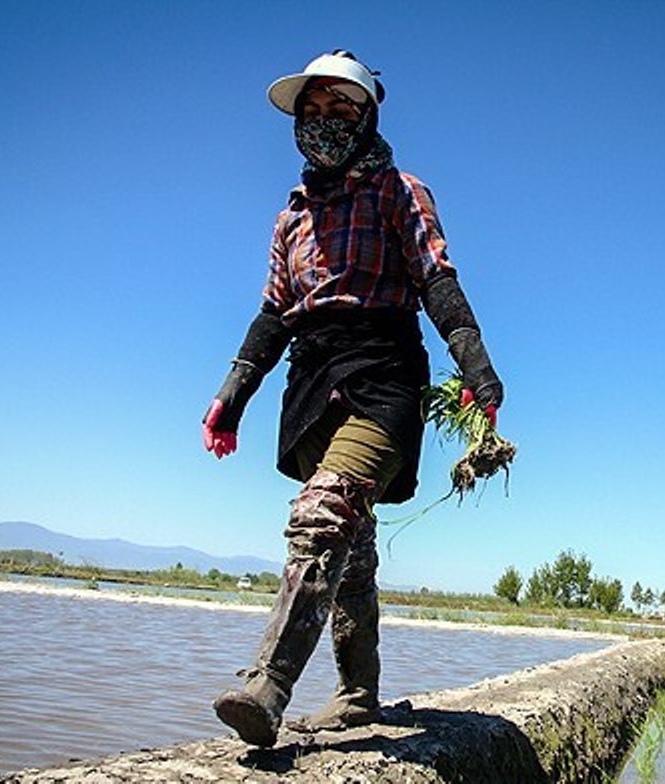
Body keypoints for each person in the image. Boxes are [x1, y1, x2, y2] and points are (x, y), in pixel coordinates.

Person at [201, 50, 504, 747]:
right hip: (312, 384)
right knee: (353, 552)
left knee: (323, 514)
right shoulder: (291, 219)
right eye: (312, 113)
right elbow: (274, 315)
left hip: (383, 376)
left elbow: (437, 282)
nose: (324, 124)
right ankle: (358, 696)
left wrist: (479, 372)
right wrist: (231, 398)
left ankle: (266, 686)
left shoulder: (400, 191)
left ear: (368, 117)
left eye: (342, 110)